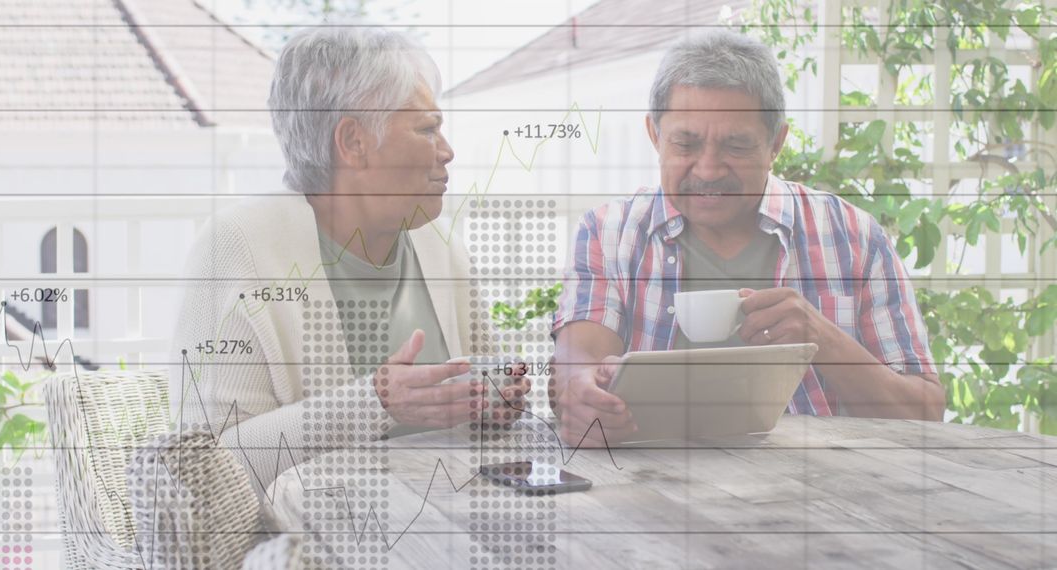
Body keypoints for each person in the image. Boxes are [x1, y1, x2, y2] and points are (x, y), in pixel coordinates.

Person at [169, 26, 528, 494]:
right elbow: (205, 471)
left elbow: (483, 392)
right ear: (353, 141)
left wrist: (494, 402)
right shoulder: (236, 248)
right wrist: (376, 402)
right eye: (427, 128)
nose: (447, 151)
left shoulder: (439, 245)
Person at [550, 30, 943, 446]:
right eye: (686, 143)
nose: (708, 169)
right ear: (654, 136)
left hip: (824, 494)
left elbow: (923, 414)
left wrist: (822, 338)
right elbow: (578, 370)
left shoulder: (854, 238)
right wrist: (582, 396)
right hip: (648, 492)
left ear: (776, 144)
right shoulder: (608, 233)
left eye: (736, 146)